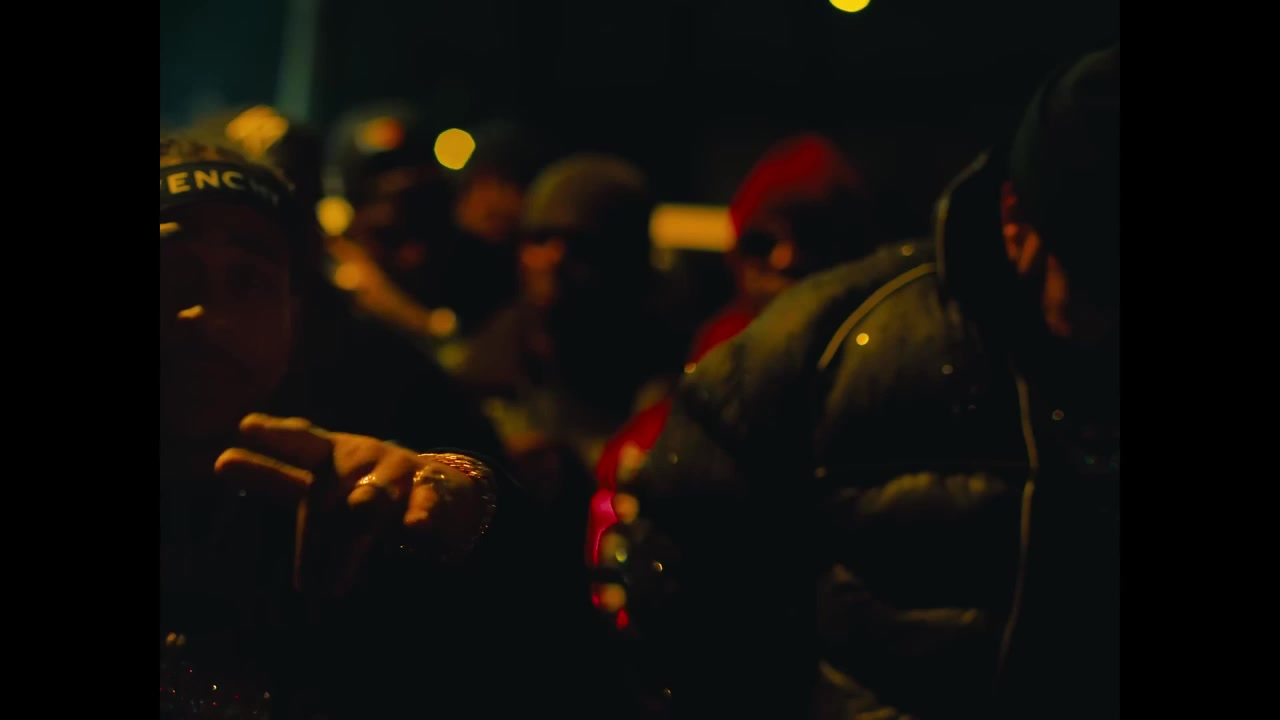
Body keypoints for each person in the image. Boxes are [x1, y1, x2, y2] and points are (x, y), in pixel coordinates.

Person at [606, 46, 1119, 720]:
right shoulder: (822, 345)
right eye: (1102, 272)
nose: (785, 258)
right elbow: (685, 589)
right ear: (1018, 222)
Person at [159, 136, 584, 719]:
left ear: (292, 312)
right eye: (170, 271)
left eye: (249, 279)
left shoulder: (355, 468)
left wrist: (463, 502)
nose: (205, 314)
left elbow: (554, 649)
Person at [588, 134, 876, 571]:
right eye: (761, 241)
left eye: (811, 235)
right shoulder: (715, 349)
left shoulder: (871, 363)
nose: (785, 258)